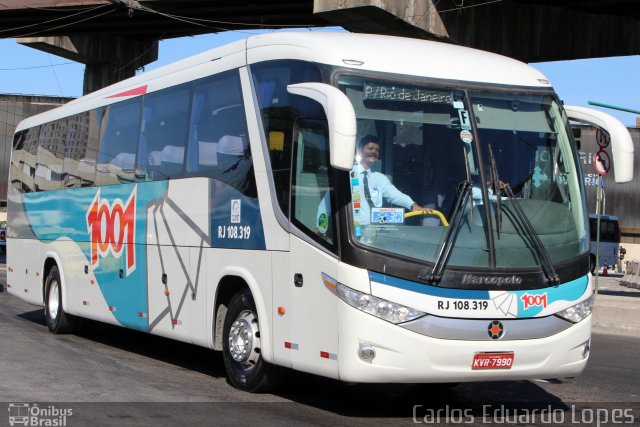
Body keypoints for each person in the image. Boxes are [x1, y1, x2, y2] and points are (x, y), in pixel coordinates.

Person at [351, 135, 423, 225]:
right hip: (352, 232)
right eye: (370, 148)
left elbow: (395, 195)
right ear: (359, 151)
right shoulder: (348, 174)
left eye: (377, 150)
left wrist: (412, 205)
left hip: (374, 232)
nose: (374, 151)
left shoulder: (380, 178)